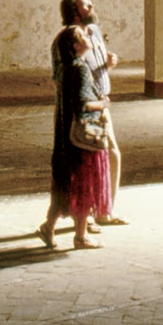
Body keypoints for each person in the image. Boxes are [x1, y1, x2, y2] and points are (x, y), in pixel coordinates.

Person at [54, 0, 128, 226]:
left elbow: (93, 70)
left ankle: (102, 210)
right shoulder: (64, 39)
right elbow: (64, 77)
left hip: (99, 103)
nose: (91, 6)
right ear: (74, 11)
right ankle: (86, 218)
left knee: (108, 156)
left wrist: (107, 65)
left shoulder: (93, 33)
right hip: (83, 110)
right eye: (85, 4)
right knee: (85, 162)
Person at [39, 24, 112, 250]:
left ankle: (48, 226)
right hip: (81, 137)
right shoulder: (80, 68)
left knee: (64, 184)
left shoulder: (63, 67)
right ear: (75, 45)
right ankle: (80, 237)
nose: (87, 36)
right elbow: (82, 105)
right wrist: (102, 104)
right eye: (82, 36)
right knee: (85, 185)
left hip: (64, 135)